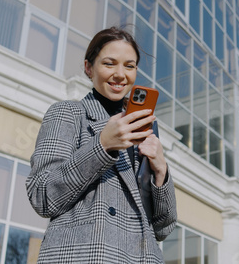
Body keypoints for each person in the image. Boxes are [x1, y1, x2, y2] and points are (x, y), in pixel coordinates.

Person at [26, 27, 177, 263]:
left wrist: (161, 171)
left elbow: (163, 228)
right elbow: (42, 197)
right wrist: (103, 145)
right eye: (109, 63)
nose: (120, 74)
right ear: (89, 68)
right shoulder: (68, 113)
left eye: (129, 66)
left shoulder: (144, 129)